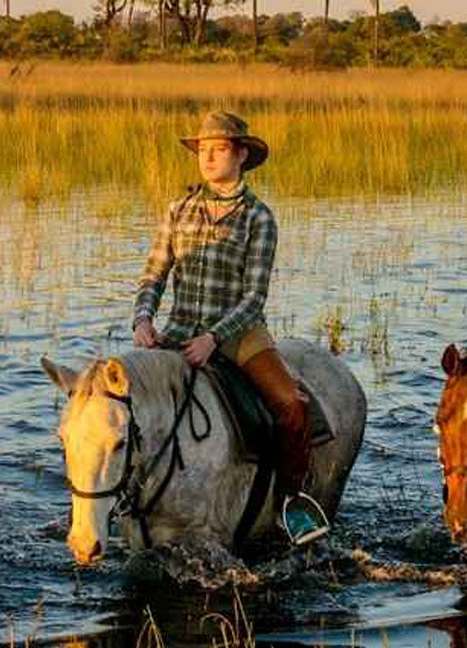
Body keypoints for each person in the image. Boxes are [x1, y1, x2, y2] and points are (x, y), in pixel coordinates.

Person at [132, 110, 327, 545]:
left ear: (241, 155)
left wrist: (215, 337)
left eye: (219, 149)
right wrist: (143, 319)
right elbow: (153, 276)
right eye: (203, 150)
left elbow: (254, 296)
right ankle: (121, 498)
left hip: (240, 335)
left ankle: (291, 504)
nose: (209, 157)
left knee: (292, 405)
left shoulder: (259, 218)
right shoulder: (177, 210)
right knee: (124, 405)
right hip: (178, 328)